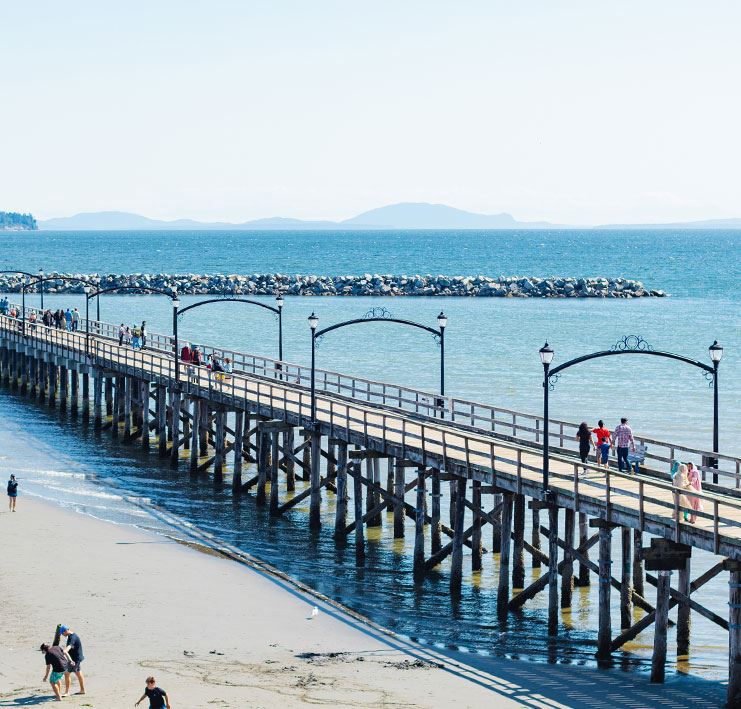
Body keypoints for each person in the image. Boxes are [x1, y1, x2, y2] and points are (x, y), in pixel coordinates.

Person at [60, 626, 86, 695]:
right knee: (79, 673)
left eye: (62, 633)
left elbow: (70, 646)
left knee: (67, 674)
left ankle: (67, 692)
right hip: (77, 657)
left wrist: (65, 651)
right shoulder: (71, 635)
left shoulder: (72, 638)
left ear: (65, 631)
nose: (62, 635)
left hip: (74, 659)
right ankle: (82, 690)